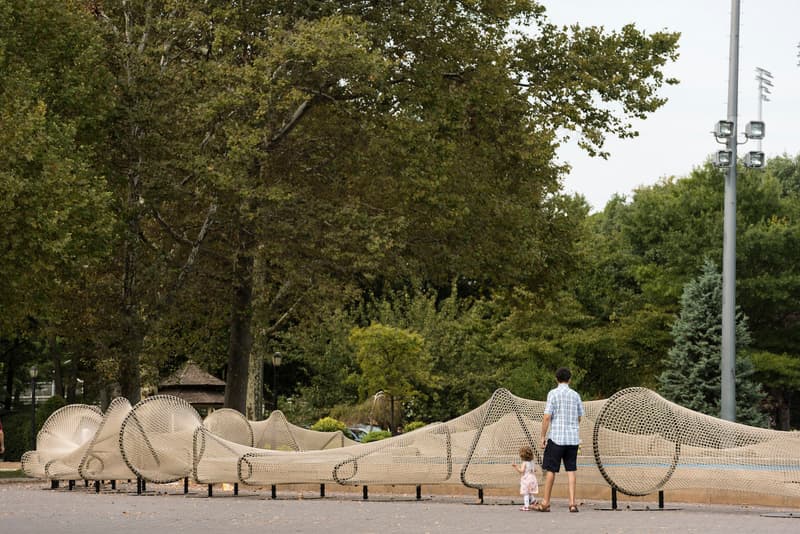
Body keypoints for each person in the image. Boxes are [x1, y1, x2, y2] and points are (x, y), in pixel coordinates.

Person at [534, 367, 584, 513]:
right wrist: (573, 427)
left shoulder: (553, 394)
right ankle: (572, 503)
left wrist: (543, 436)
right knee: (571, 470)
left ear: (556, 379)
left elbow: (547, 416)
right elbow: (580, 416)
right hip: (573, 439)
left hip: (556, 438)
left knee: (551, 470)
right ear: (570, 379)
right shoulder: (575, 395)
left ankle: (545, 502)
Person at [512, 445, 539, 511]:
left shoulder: (524, 463)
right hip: (532, 478)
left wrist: (516, 467)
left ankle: (526, 506)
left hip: (526, 479)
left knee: (525, 493)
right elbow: (534, 469)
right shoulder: (532, 462)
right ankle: (534, 501)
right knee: (529, 491)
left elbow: (521, 471)